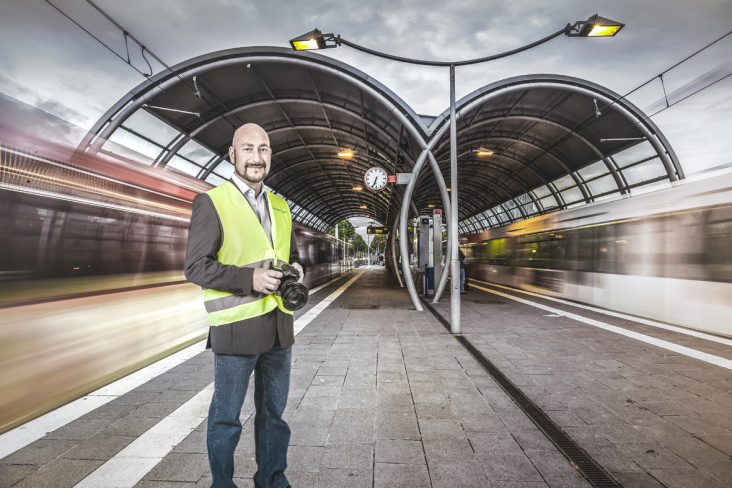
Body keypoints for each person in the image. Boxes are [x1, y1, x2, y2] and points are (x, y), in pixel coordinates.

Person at [185, 123, 303, 488]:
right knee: (226, 418)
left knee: (274, 416)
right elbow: (195, 266)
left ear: (270, 155)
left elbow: (293, 256)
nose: (257, 157)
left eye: (263, 149)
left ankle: (272, 480)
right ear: (232, 155)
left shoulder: (281, 206)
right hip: (236, 330)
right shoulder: (213, 201)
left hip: (279, 328)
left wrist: (296, 269)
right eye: (248, 149)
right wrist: (248, 279)